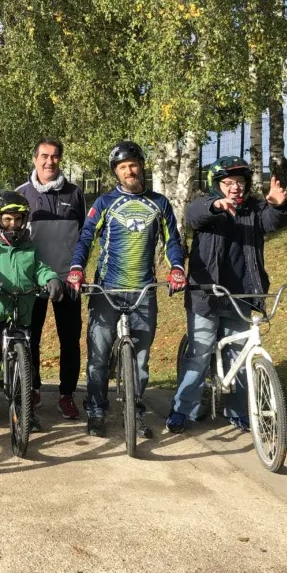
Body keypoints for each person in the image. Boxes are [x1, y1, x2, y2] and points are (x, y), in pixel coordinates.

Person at [68, 141, 187, 439]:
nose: (129, 171)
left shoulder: (159, 203)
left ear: (142, 166)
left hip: (143, 291)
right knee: (98, 356)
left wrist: (177, 267)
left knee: (141, 360)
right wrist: (77, 268)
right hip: (106, 290)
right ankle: (96, 409)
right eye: (122, 167)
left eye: (133, 165)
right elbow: (86, 238)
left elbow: (172, 241)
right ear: (116, 172)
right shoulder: (105, 202)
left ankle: (135, 410)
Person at [167, 157, 287, 434]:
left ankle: (238, 412)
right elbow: (193, 215)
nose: (235, 187)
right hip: (205, 294)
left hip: (241, 295)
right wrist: (216, 206)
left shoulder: (254, 208)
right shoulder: (205, 204)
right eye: (228, 183)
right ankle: (182, 410)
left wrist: (277, 206)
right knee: (199, 354)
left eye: (240, 182)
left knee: (240, 357)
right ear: (216, 185)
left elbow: (272, 221)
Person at [0, 191, 63, 432]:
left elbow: (40, 268)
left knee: (25, 362)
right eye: (7, 219)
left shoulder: (29, 246)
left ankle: (25, 410)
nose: (13, 224)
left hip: (22, 311)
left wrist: (51, 278)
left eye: (18, 219)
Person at [16, 138, 86, 420]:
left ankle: (67, 394)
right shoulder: (21, 194)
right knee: (30, 339)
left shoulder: (76, 193)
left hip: (68, 281)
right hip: (32, 282)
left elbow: (84, 236)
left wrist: (78, 270)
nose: (49, 161)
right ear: (34, 159)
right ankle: (32, 389)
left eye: (55, 156)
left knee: (70, 339)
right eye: (44, 156)